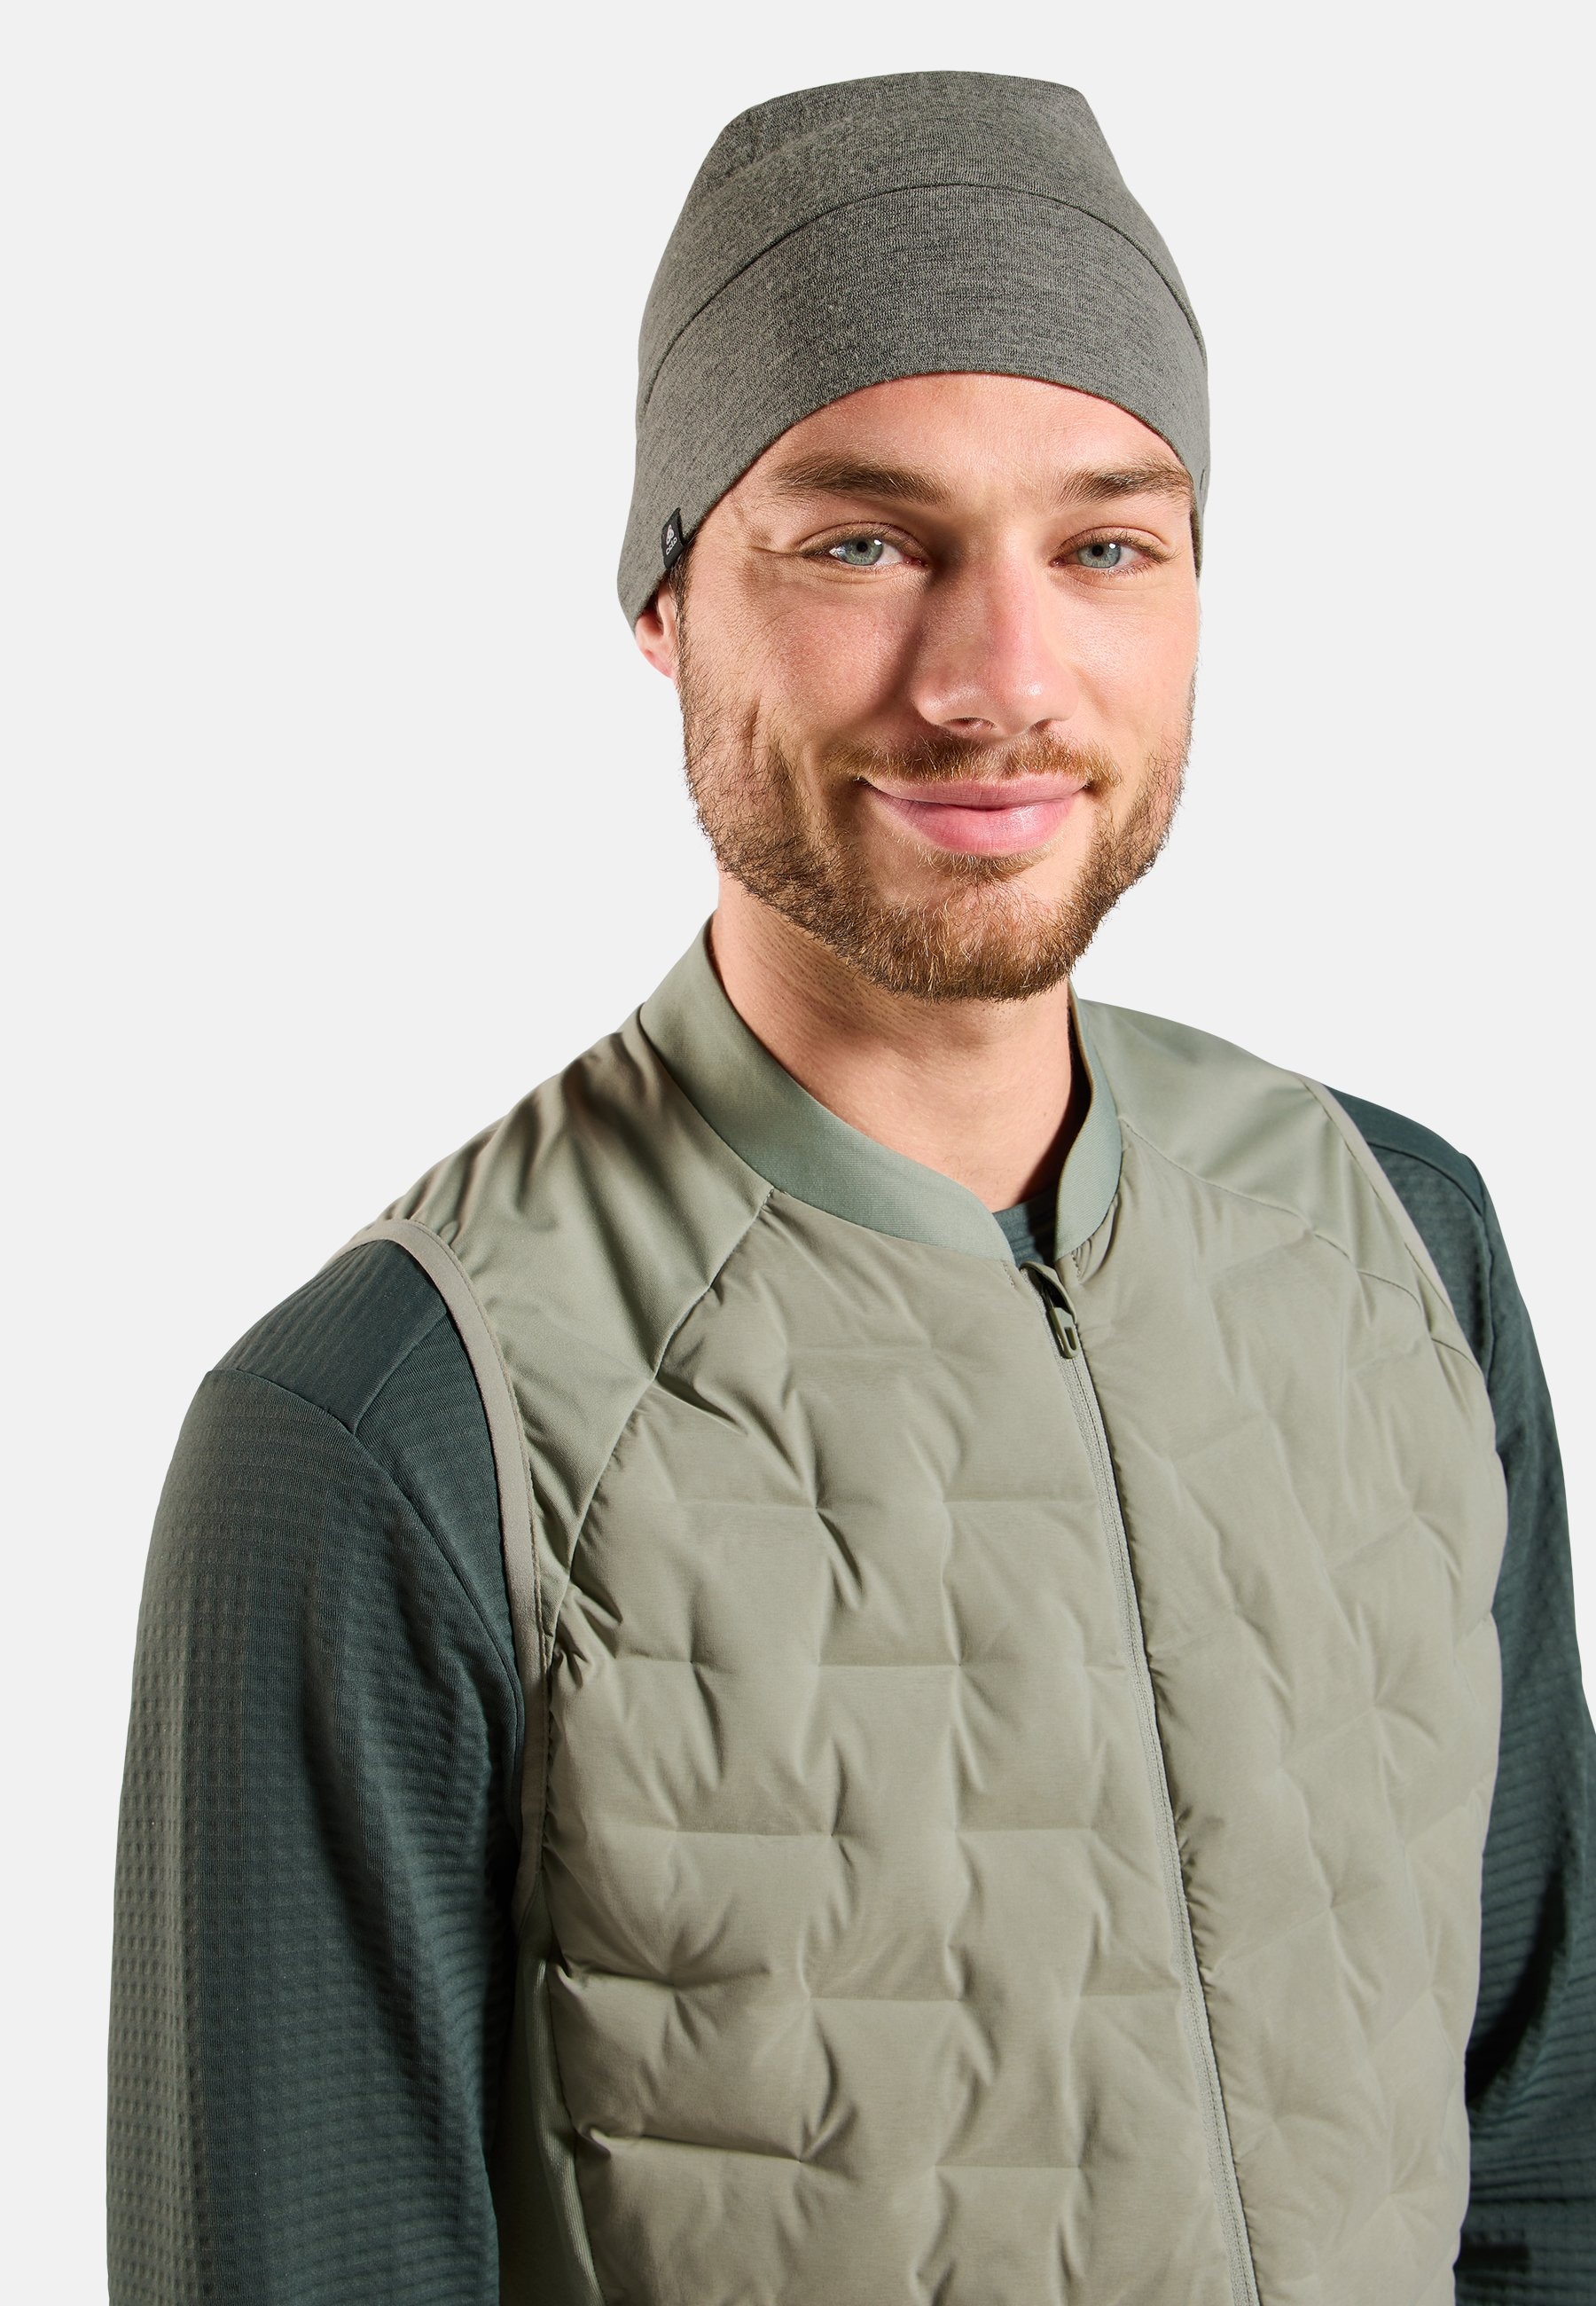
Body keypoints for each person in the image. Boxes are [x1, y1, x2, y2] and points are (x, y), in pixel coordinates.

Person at [107, 68, 1594, 2306]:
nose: (1000, 680)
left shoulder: (1405, 1242)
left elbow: (1546, 2149)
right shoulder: (389, 1431)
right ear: (665, 596)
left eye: (1105, 544)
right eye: (863, 542)